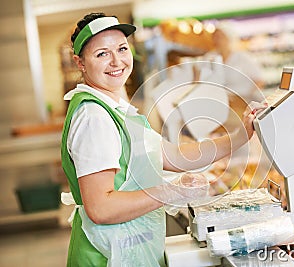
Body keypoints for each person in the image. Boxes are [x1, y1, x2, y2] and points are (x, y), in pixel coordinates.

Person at [61, 12, 266, 266]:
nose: (116, 61)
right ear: (80, 63)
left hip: (128, 250)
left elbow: (175, 155)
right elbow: (101, 208)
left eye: (122, 49)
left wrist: (240, 135)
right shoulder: (94, 117)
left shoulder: (115, 109)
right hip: (106, 257)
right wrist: (171, 191)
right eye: (102, 53)